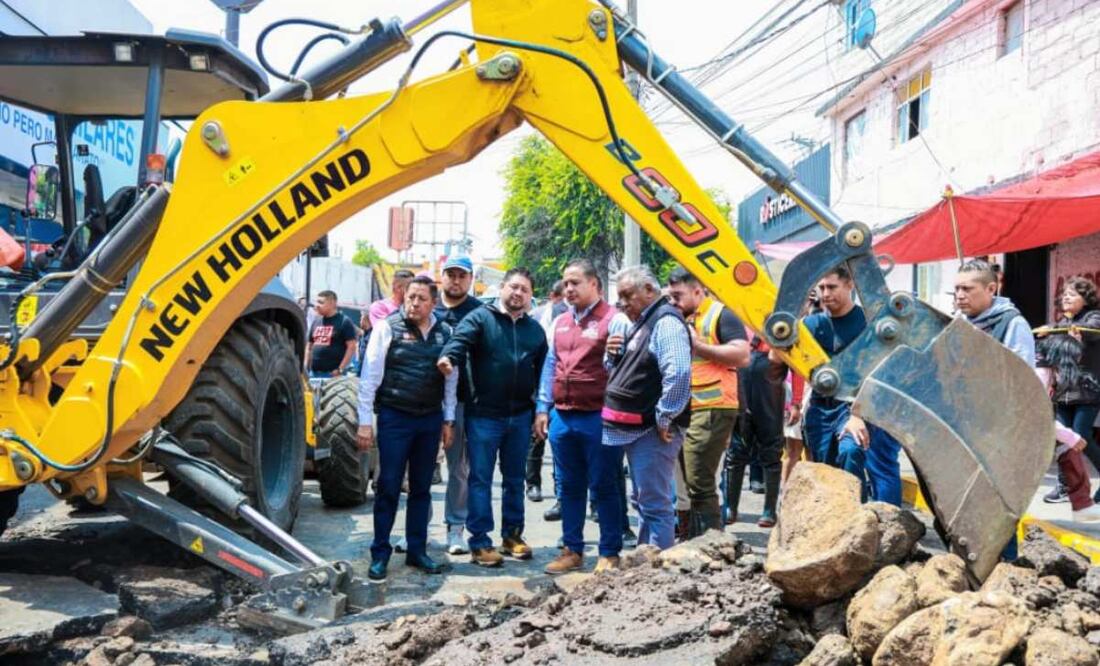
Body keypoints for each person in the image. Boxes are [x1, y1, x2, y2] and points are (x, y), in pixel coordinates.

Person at [955, 261, 1100, 522]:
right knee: (1067, 443)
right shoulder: (961, 322)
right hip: (987, 421)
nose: (959, 295)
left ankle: (1080, 500)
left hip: (1080, 394)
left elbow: (1024, 392)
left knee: (1075, 440)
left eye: (966, 288)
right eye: (956, 289)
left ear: (991, 288)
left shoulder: (1016, 325)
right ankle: (1077, 497)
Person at [438, 268, 548, 567]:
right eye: (513, 287)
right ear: (502, 288)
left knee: (514, 480)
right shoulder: (480, 318)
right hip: (484, 416)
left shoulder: (535, 331)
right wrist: (449, 358)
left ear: (529, 296)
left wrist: (541, 410)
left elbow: (543, 373)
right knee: (480, 480)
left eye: (524, 290)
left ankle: (512, 536)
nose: (518, 294)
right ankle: (480, 542)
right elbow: (459, 342)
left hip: (520, 417)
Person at [357, 276, 457, 581]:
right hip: (394, 418)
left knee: (421, 488)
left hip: (429, 420)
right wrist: (364, 423)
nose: (414, 303)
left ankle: (417, 551)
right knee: (388, 486)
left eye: (421, 299)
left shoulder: (446, 333)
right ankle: (380, 554)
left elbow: (452, 381)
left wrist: (448, 420)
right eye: (410, 297)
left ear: (433, 303)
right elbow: (369, 377)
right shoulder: (388, 327)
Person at [601, 266, 692, 564]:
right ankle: (646, 566)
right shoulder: (641, 323)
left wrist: (666, 417)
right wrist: (613, 355)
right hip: (638, 428)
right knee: (643, 501)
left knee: (654, 503)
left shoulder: (665, 322)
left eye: (628, 295)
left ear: (650, 291)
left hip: (653, 430)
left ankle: (657, 571)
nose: (623, 303)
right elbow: (626, 372)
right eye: (620, 298)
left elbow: (678, 373)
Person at [534, 259, 620, 574]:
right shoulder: (560, 322)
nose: (568, 289)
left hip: (599, 416)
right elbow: (550, 366)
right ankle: (572, 549)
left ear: (594, 284)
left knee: (603, 486)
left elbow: (621, 368)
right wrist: (543, 408)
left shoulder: (614, 319)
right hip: (563, 417)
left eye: (575, 283)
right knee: (568, 487)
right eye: (566, 283)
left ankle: (610, 552)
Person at [801, 266, 903, 506]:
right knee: (825, 471)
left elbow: (880, 372)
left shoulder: (869, 322)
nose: (825, 294)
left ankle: (857, 518)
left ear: (850, 285)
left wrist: (858, 415)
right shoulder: (812, 325)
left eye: (832, 287)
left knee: (851, 451)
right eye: (821, 288)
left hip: (860, 406)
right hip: (820, 409)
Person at [665, 267, 749, 536]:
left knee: (700, 479)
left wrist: (698, 346)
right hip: (682, 411)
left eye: (678, 296)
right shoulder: (678, 318)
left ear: (698, 291)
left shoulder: (720, 314)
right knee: (684, 482)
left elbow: (742, 355)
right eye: (671, 296)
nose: (674, 302)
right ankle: (692, 537)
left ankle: (711, 540)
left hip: (712, 406)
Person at [432, 255, 483, 555]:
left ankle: (455, 528)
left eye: (461, 275)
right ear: (442, 277)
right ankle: (417, 529)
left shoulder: (478, 312)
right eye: (450, 274)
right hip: (424, 402)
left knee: (459, 469)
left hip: (464, 400)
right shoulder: (427, 306)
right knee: (419, 471)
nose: (456, 280)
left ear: (470, 279)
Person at [1037, 277, 1100, 503]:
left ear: (1086, 299)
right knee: (1064, 439)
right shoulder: (1063, 322)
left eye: (1072, 294)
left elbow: (1089, 331)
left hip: (1087, 390)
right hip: (1064, 391)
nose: (1065, 297)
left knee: (1081, 436)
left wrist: (1054, 329)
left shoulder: (1093, 318)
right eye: (1064, 294)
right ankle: (1066, 486)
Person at [724, 337, 790, 528]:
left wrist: (795, 403)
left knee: (771, 453)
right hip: (741, 398)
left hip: (770, 400)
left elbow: (796, 371)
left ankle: (769, 510)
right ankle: (731, 507)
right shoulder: (741, 330)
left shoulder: (782, 332)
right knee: (735, 454)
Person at [527, 280, 568, 503]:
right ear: (553, 297)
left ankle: (560, 492)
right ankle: (533, 483)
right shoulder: (536, 316)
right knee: (536, 438)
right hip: (537, 386)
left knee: (561, 444)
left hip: (563, 388)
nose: (566, 305)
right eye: (563, 299)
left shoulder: (574, 320)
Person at [305, 290, 358, 378]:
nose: (317, 305)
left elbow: (351, 347)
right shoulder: (316, 321)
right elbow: (309, 347)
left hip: (333, 375)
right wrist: (306, 369)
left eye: (321, 302)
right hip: (313, 374)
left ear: (332, 303)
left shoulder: (344, 321)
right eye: (316, 302)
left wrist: (340, 369)